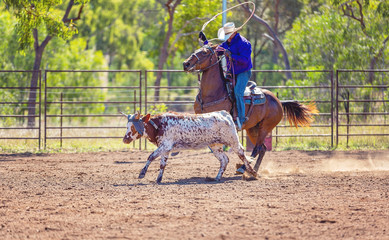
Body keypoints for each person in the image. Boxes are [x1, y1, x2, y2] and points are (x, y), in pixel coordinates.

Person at [216, 22, 252, 130]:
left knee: (238, 92)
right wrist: (206, 43)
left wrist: (231, 55)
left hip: (243, 72)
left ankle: (241, 118)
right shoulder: (227, 42)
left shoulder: (244, 43)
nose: (227, 38)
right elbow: (218, 50)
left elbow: (245, 61)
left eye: (229, 35)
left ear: (234, 32)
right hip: (231, 72)